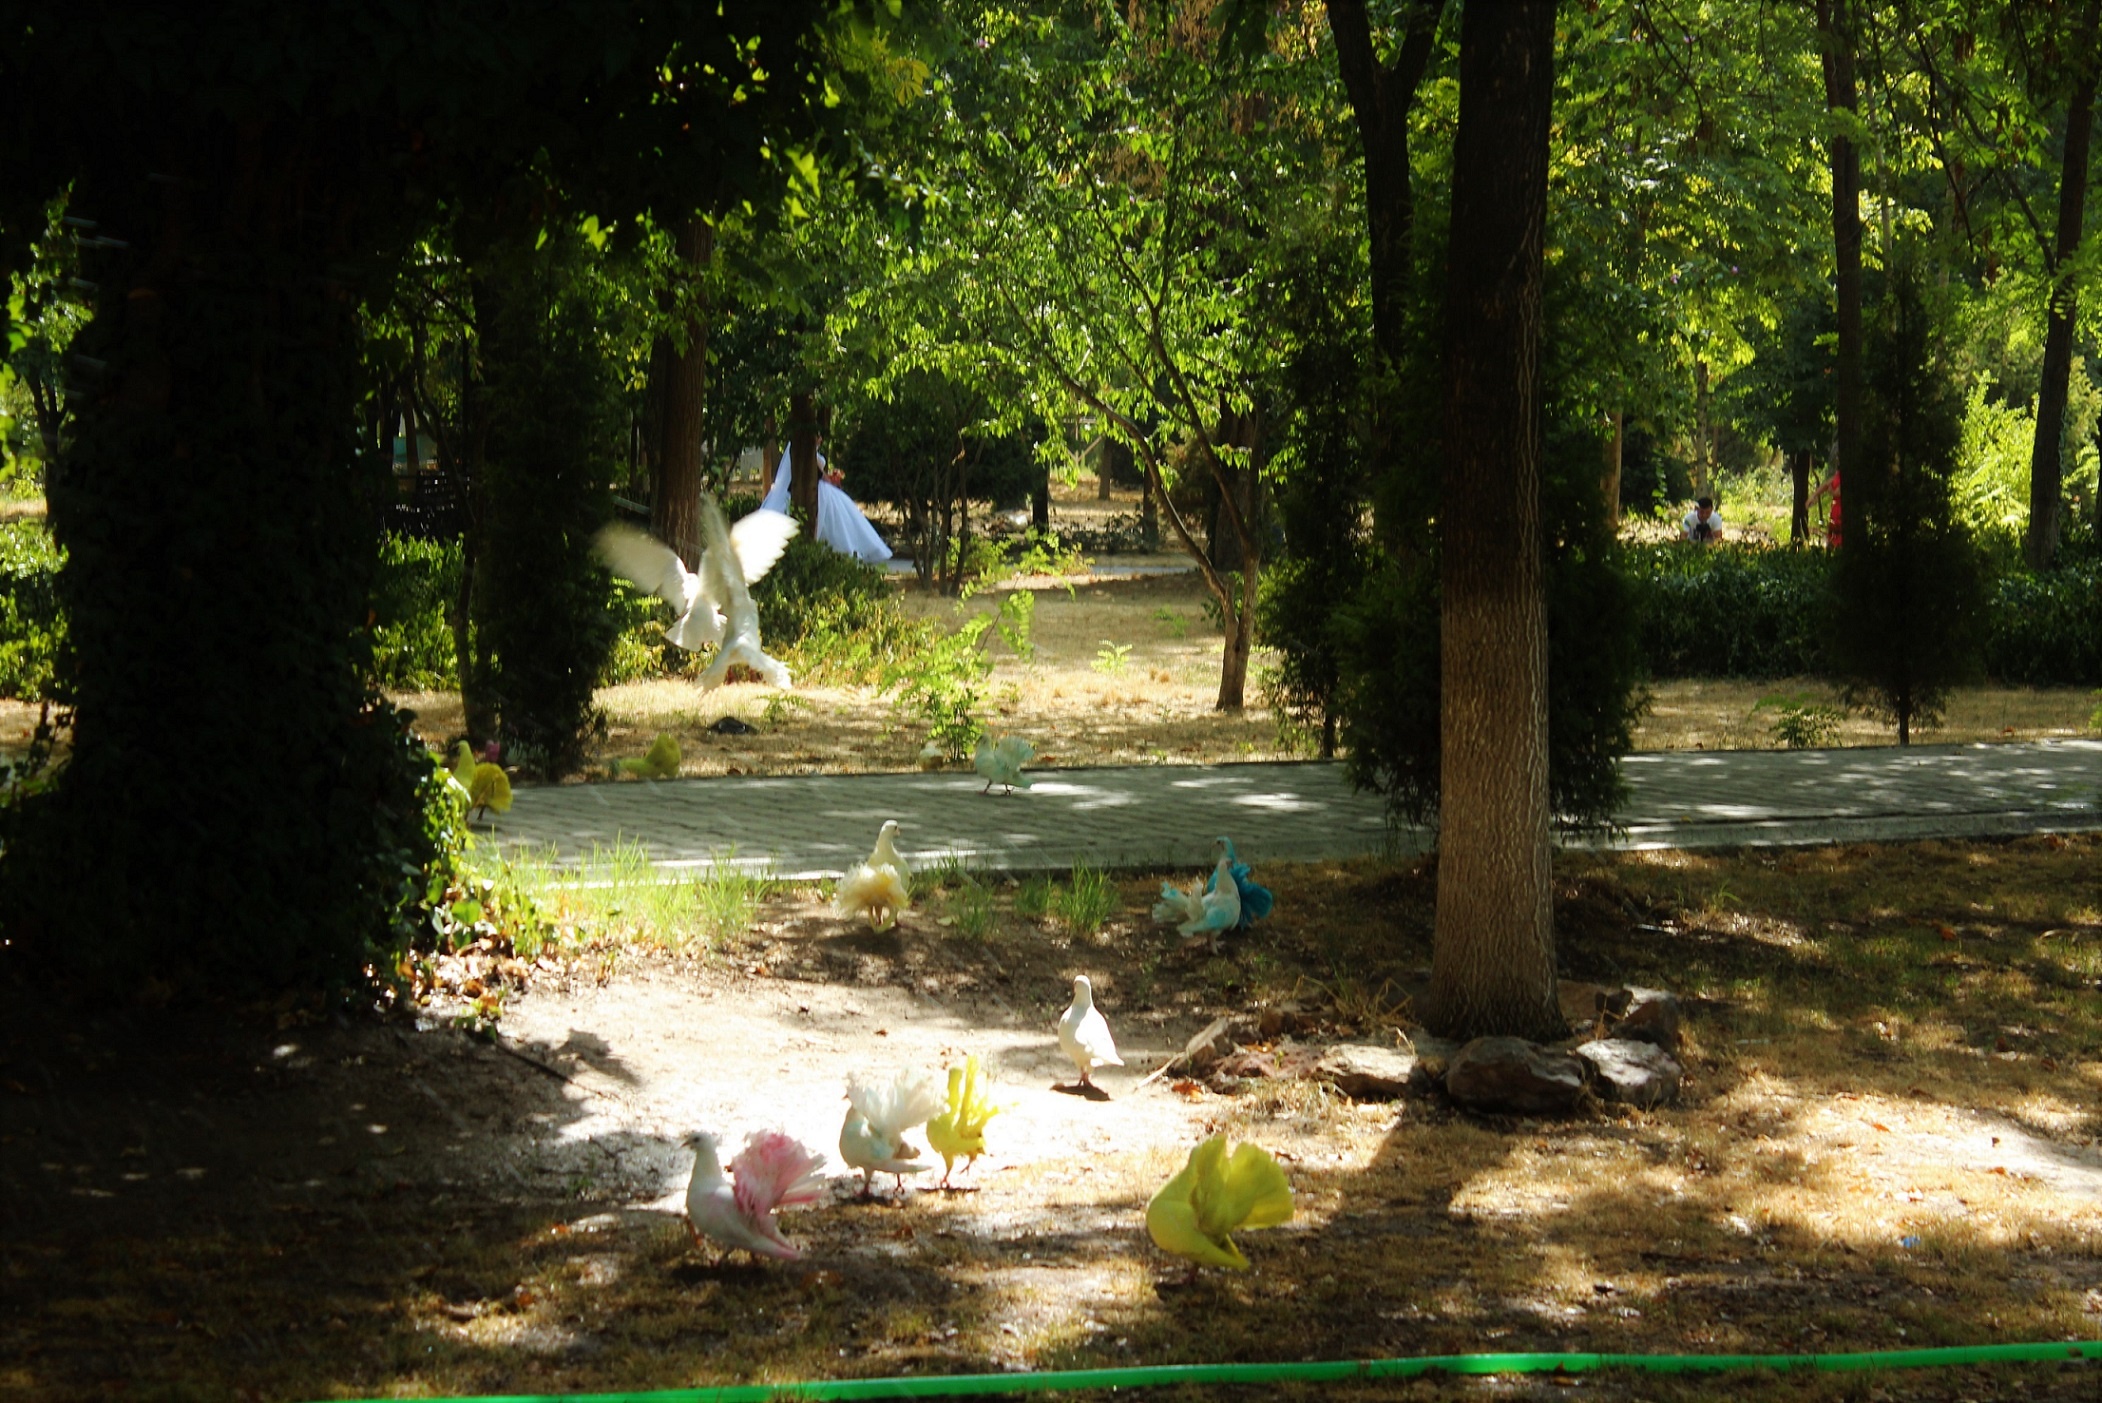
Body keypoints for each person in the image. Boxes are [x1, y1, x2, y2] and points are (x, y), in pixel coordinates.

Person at [760, 442, 893, 564]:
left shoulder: (809, 449)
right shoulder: (802, 448)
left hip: (819, 489)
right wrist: (829, 479)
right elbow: (816, 472)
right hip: (816, 491)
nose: (820, 439)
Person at [1810, 469, 1842, 548]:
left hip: (1840, 507)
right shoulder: (1837, 475)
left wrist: (1830, 490)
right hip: (1835, 507)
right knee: (1833, 529)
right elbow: (1826, 484)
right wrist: (1814, 495)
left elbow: (1837, 493)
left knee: (1838, 528)